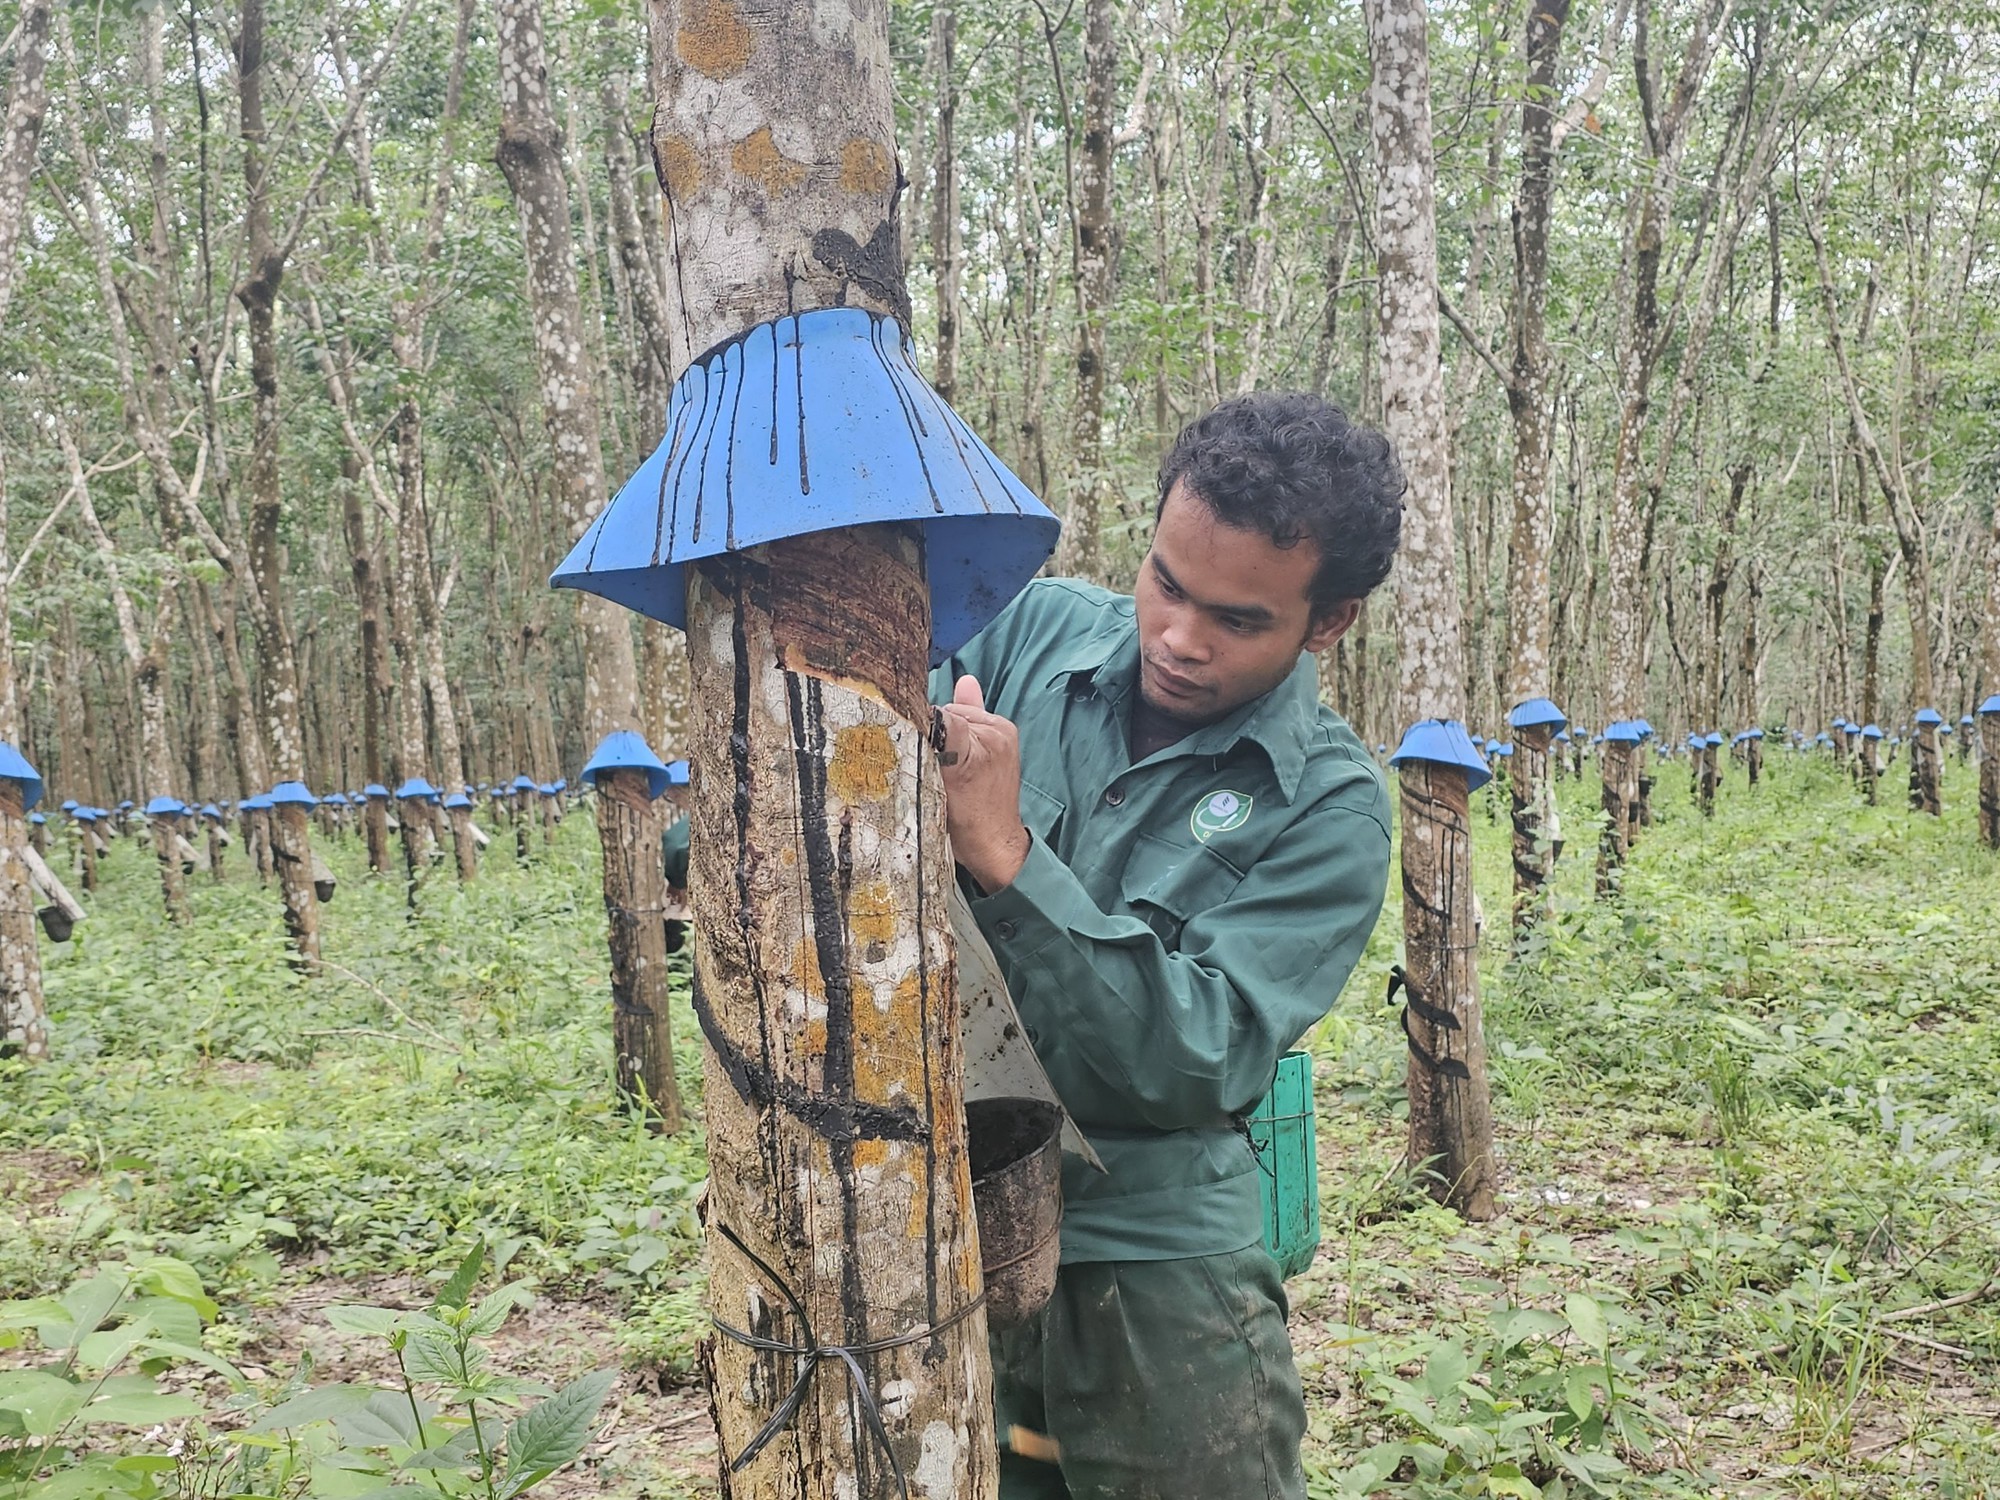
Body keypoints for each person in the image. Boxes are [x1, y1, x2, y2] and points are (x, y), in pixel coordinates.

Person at [932, 391, 1402, 1500]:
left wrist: (1006, 852)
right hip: (948, 1231)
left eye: (1237, 620)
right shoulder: (1034, 634)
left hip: (1153, 1268)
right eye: (1165, 584)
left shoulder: (1330, 807)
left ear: (1323, 623)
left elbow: (1195, 1055)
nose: (1178, 640)